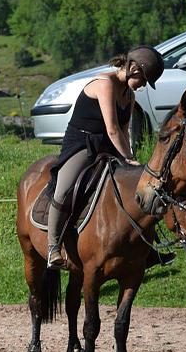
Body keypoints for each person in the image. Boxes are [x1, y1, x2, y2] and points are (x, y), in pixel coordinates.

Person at [46, 46, 164, 269]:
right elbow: (112, 129)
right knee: (64, 189)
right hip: (82, 143)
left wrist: (132, 160)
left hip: (109, 147)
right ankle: (52, 246)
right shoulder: (105, 83)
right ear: (133, 68)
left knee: (139, 187)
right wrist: (128, 158)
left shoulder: (128, 95)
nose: (143, 86)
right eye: (144, 79)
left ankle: (149, 247)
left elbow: (125, 129)